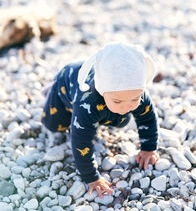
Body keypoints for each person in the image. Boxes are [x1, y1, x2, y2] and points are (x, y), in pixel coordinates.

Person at [42, 42, 159, 198]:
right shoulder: (87, 101)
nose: (126, 107)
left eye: (134, 99)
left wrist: (148, 148)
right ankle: (51, 90)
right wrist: (91, 177)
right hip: (66, 81)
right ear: (103, 91)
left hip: (101, 101)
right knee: (54, 124)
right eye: (118, 101)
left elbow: (148, 119)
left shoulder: (137, 92)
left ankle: (106, 110)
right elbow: (80, 139)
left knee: (121, 119)